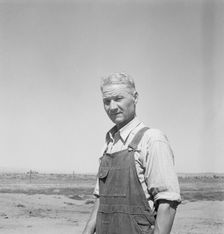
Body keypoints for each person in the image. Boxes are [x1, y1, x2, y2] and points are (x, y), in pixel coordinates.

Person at [82, 73, 181, 234]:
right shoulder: (108, 145)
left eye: (118, 98)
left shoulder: (152, 140)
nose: (112, 107)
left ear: (135, 97)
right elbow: (100, 200)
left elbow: (167, 204)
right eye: (106, 101)